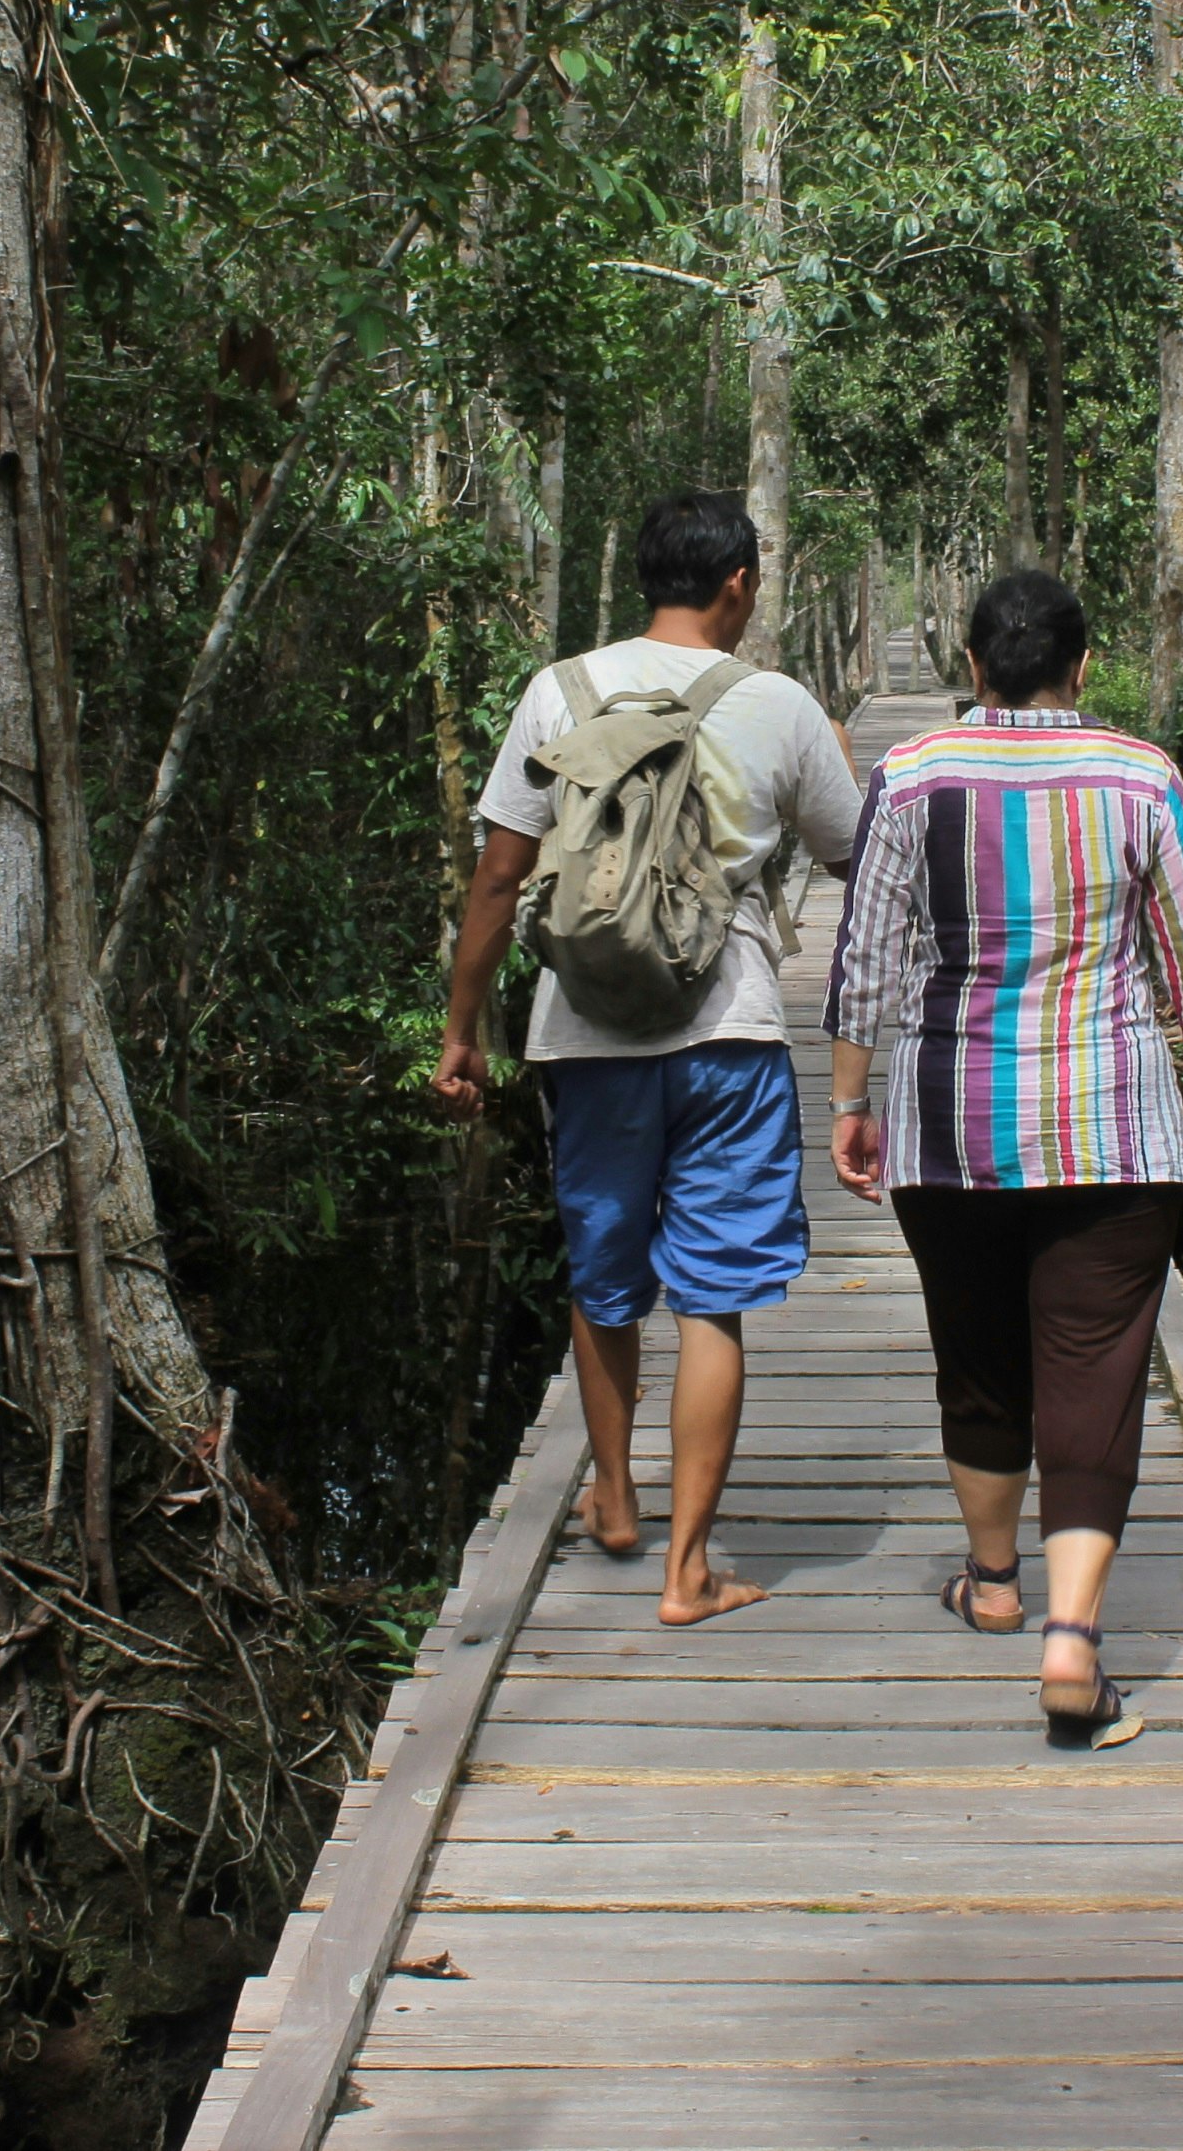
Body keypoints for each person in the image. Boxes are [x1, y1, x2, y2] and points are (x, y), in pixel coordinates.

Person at [823, 568, 1183, 1745]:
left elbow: (863, 958)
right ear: (1084, 663)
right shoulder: (1139, 773)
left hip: (947, 1123)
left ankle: (994, 1579)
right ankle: (1072, 1646)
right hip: (1111, 1125)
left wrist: (850, 1100)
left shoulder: (907, 775)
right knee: (1094, 1369)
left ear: (970, 665)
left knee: (976, 1349)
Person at [434, 492, 863, 1626]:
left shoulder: (559, 690)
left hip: (581, 1033)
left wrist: (460, 1029)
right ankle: (689, 1570)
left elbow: (496, 875)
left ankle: (614, 1500)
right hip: (728, 1031)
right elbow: (852, 851)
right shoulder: (775, 702)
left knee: (603, 1275)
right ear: (736, 584)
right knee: (711, 1299)